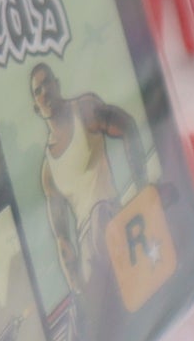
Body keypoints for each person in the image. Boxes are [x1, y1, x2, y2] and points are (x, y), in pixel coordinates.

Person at [29, 63, 148, 297]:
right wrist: (76, 286)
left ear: (57, 84)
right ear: (36, 106)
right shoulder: (48, 172)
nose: (45, 92)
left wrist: (142, 189)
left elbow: (127, 126)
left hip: (109, 214)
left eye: (47, 83)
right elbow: (62, 239)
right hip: (87, 245)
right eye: (38, 90)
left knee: (100, 220)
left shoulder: (84, 111)